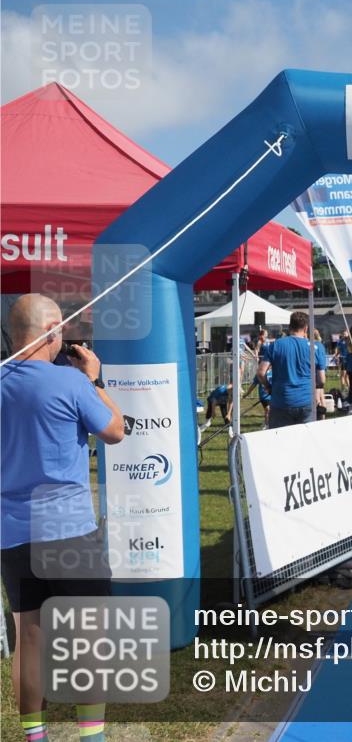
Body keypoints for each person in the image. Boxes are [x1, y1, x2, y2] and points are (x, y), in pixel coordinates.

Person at [1, 294, 125, 742]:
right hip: (69, 529)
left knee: (28, 640)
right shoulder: (70, 383)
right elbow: (115, 430)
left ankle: (36, 736)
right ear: (53, 330)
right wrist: (96, 379)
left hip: (13, 530)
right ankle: (91, 736)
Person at [256, 311, 325, 428]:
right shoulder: (317, 347)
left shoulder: (276, 345)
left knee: (281, 442)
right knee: (306, 442)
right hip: (307, 401)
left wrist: (268, 387)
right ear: (306, 328)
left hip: (281, 401)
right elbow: (322, 380)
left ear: (290, 327)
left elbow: (261, 373)